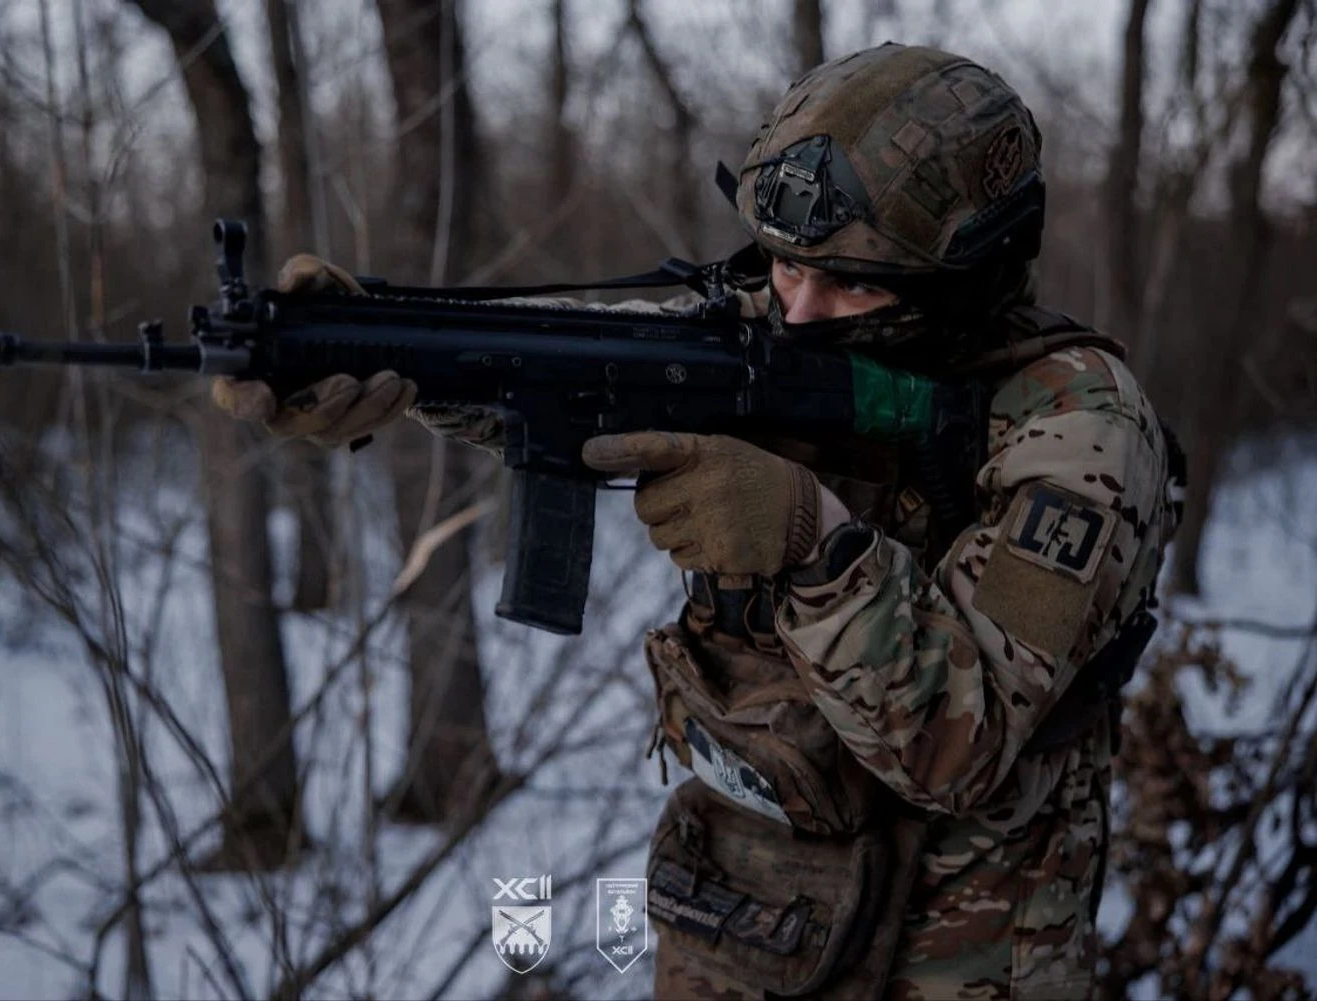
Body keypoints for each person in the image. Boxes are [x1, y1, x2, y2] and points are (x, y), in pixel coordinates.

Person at [215, 42, 1181, 1001]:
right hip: (736, 927)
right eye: (783, 265)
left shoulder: (1081, 430)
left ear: (964, 276)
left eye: (847, 281)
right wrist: (388, 349)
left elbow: (952, 747)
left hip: (951, 965)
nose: (794, 311)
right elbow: (596, 361)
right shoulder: (774, 328)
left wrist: (814, 544)